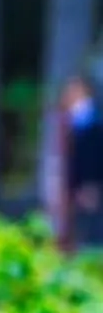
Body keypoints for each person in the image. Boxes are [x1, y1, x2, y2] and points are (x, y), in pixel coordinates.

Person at [66, 76, 103, 250]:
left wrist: (90, 183)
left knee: (91, 227)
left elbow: (93, 156)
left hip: (89, 184)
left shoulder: (92, 122)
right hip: (80, 184)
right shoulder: (75, 119)